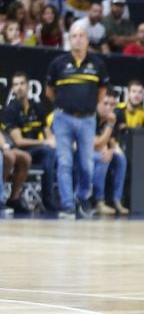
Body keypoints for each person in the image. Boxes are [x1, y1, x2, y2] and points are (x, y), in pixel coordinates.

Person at [46, 23, 110, 219]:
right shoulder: (58, 63)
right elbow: (49, 91)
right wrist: (66, 103)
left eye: (81, 35)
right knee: (64, 162)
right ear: (69, 39)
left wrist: (93, 106)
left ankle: (81, 197)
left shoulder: (97, 64)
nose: (78, 39)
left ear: (87, 40)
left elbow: (102, 90)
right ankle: (67, 206)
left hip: (88, 119)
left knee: (87, 164)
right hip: (63, 118)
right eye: (74, 36)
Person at [91, 93, 128, 216]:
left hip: (100, 149)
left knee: (121, 159)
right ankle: (99, 201)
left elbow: (112, 141)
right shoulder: (91, 116)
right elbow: (96, 144)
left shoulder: (113, 117)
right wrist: (110, 125)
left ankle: (116, 200)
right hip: (82, 151)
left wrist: (112, 150)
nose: (109, 108)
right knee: (103, 157)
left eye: (112, 105)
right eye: (105, 104)